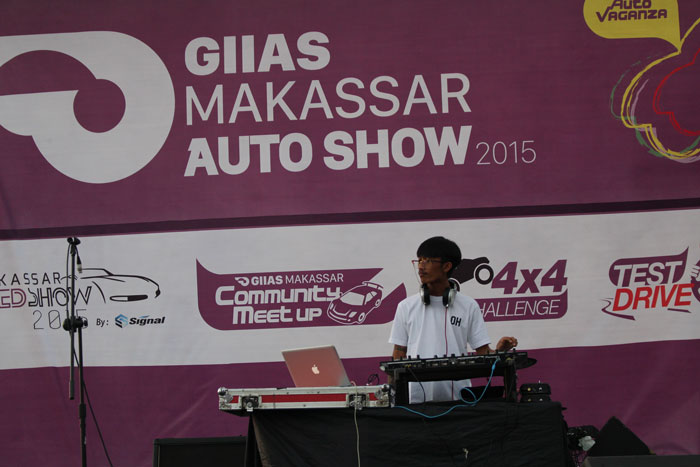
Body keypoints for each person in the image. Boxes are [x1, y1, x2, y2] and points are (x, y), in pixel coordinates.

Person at [388, 236, 518, 403]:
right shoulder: (405, 307)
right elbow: (398, 355)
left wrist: (500, 351)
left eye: (427, 261)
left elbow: (483, 353)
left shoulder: (469, 306)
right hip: (415, 401)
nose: (420, 266)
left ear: (447, 266)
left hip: (458, 401)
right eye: (419, 260)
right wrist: (392, 398)